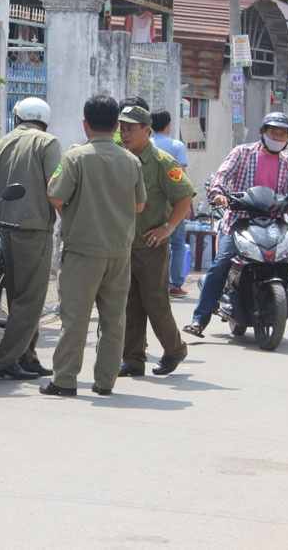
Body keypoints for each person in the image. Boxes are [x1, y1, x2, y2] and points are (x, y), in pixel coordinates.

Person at [41, 96, 146, 397]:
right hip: (119, 251)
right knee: (114, 320)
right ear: (116, 127)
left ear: (85, 124)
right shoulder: (132, 161)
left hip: (82, 250)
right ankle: (105, 381)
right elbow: (140, 205)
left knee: (75, 318)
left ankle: (65, 380)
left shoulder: (75, 158)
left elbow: (56, 196)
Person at [182, 112, 288, 341]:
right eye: (274, 132)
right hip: (239, 220)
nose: (278, 137)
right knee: (221, 263)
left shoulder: (287, 163)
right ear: (263, 132)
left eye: (283, 134)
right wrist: (218, 194)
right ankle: (199, 320)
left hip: (273, 223)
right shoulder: (242, 153)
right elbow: (220, 177)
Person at [0, 98, 62, 380]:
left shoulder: (1, 144)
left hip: (5, 225)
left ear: (18, 118)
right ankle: (5, 361)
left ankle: (27, 356)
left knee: (18, 295)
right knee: (30, 298)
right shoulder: (47, 142)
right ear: (45, 121)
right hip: (33, 227)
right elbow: (55, 186)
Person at [118, 106, 195, 377]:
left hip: (151, 247)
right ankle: (133, 359)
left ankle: (174, 350)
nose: (125, 134)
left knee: (155, 303)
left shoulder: (163, 162)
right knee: (129, 305)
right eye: (122, 128)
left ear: (147, 130)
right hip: (123, 245)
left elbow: (185, 196)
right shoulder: (120, 156)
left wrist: (168, 228)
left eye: (130, 129)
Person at [150, 108, 193, 296]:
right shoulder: (177, 145)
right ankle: (175, 284)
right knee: (177, 244)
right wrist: (187, 205)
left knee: (153, 242)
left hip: (152, 202)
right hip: (175, 201)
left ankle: (156, 282)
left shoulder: (147, 144)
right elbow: (182, 175)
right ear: (168, 125)